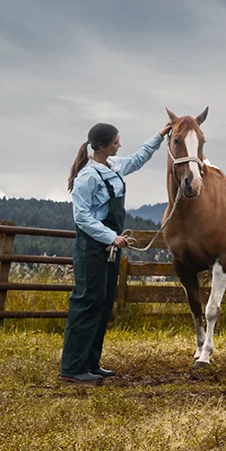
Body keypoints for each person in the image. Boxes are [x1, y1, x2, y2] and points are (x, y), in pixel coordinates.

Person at [61, 121, 172, 383]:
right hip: (92, 248)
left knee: (103, 302)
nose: (119, 145)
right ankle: (72, 367)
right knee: (86, 302)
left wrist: (159, 136)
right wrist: (111, 236)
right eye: (115, 142)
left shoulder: (113, 166)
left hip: (109, 248)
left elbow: (138, 158)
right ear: (101, 146)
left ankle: (90, 362)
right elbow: (83, 218)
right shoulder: (87, 177)